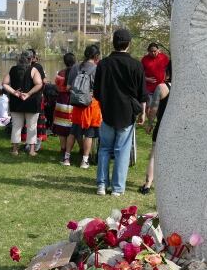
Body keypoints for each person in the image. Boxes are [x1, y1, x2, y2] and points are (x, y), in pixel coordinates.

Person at [93, 29, 147, 196]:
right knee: (121, 150)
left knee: (104, 149)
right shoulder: (136, 65)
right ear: (128, 44)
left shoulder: (103, 64)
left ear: (113, 43)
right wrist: (143, 112)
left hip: (107, 111)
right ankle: (117, 188)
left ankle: (102, 185)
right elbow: (142, 93)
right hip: (127, 112)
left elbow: (96, 92)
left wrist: (104, 104)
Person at [62, 45, 102, 168]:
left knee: (73, 132)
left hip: (77, 105)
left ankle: (66, 159)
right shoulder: (97, 69)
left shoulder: (75, 67)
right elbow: (99, 90)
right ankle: (84, 161)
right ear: (96, 56)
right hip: (91, 105)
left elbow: (68, 87)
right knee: (89, 134)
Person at [2, 51, 43, 156]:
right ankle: (32, 151)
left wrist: (15, 92)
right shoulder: (33, 70)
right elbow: (39, 84)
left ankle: (15, 150)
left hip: (16, 102)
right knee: (32, 126)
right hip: (31, 102)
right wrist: (28, 94)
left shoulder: (13, 69)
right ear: (30, 59)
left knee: (16, 126)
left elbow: (4, 84)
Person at [140, 62, 171, 195]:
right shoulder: (185, 88)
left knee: (154, 155)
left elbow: (153, 109)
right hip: (179, 128)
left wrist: (150, 124)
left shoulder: (162, 88)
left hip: (162, 126)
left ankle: (148, 184)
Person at [53, 53, 75, 156]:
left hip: (62, 100)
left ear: (64, 62)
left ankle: (63, 148)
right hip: (73, 101)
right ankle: (70, 150)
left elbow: (57, 87)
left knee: (61, 126)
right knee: (72, 126)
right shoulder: (77, 73)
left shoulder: (60, 73)